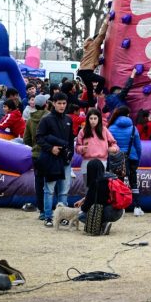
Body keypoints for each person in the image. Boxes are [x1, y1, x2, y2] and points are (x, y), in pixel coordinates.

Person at [36, 92, 74, 228]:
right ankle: (48, 216)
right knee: (49, 189)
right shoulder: (46, 119)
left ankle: (62, 217)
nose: (62, 106)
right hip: (51, 159)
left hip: (65, 160)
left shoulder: (69, 119)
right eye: (59, 103)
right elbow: (38, 138)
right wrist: (50, 148)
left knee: (64, 191)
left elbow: (70, 140)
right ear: (53, 103)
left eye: (64, 103)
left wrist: (70, 155)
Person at [108, 106, 143, 216]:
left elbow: (108, 145)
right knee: (133, 182)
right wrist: (138, 158)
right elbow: (138, 146)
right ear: (128, 114)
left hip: (116, 159)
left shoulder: (111, 128)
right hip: (132, 158)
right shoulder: (133, 128)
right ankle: (137, 207)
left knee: (119, 183)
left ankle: (120, 208)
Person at [76, 159, 125, 235]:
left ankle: (102, 225)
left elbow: (86, 207)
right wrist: (84, 199)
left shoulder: (95, 184)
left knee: (80, 215)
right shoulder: (111, 177)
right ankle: (104, 224)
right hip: (119, 211)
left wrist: (82, 206)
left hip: (108, 212)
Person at [76, 108, 119, 186]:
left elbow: (114, 143)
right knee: (88, 188)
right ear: (87, 119)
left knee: (100, 188)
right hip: (87, 162)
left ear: (99, 119)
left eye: (95, 118)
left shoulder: (104, 130)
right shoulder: (82, 131)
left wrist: (114, 149)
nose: (93, 121)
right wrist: (82, 149)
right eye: (91, 118)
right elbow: (77, 148)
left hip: (102, 162)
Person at [23, 94, 50, 219]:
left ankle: (41, 210)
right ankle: (49, 209)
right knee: (50, 183)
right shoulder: (50, 117)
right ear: (46, 104)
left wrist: (35, 145)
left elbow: (26, 139)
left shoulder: (29, 119)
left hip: (36, 154)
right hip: (50, 154)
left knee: (39, 183)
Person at [77, 16, 109, 106]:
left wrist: (99, 62)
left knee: (90, 88)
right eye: (100, 43)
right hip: (86, 71)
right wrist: (106, 21)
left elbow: (91, 60)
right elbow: (101, 34)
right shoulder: (95, 44)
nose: (101, 44)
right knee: (102, 80)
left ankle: (90, 105)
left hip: (82, 71)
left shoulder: (88, 48)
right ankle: (97, 92)